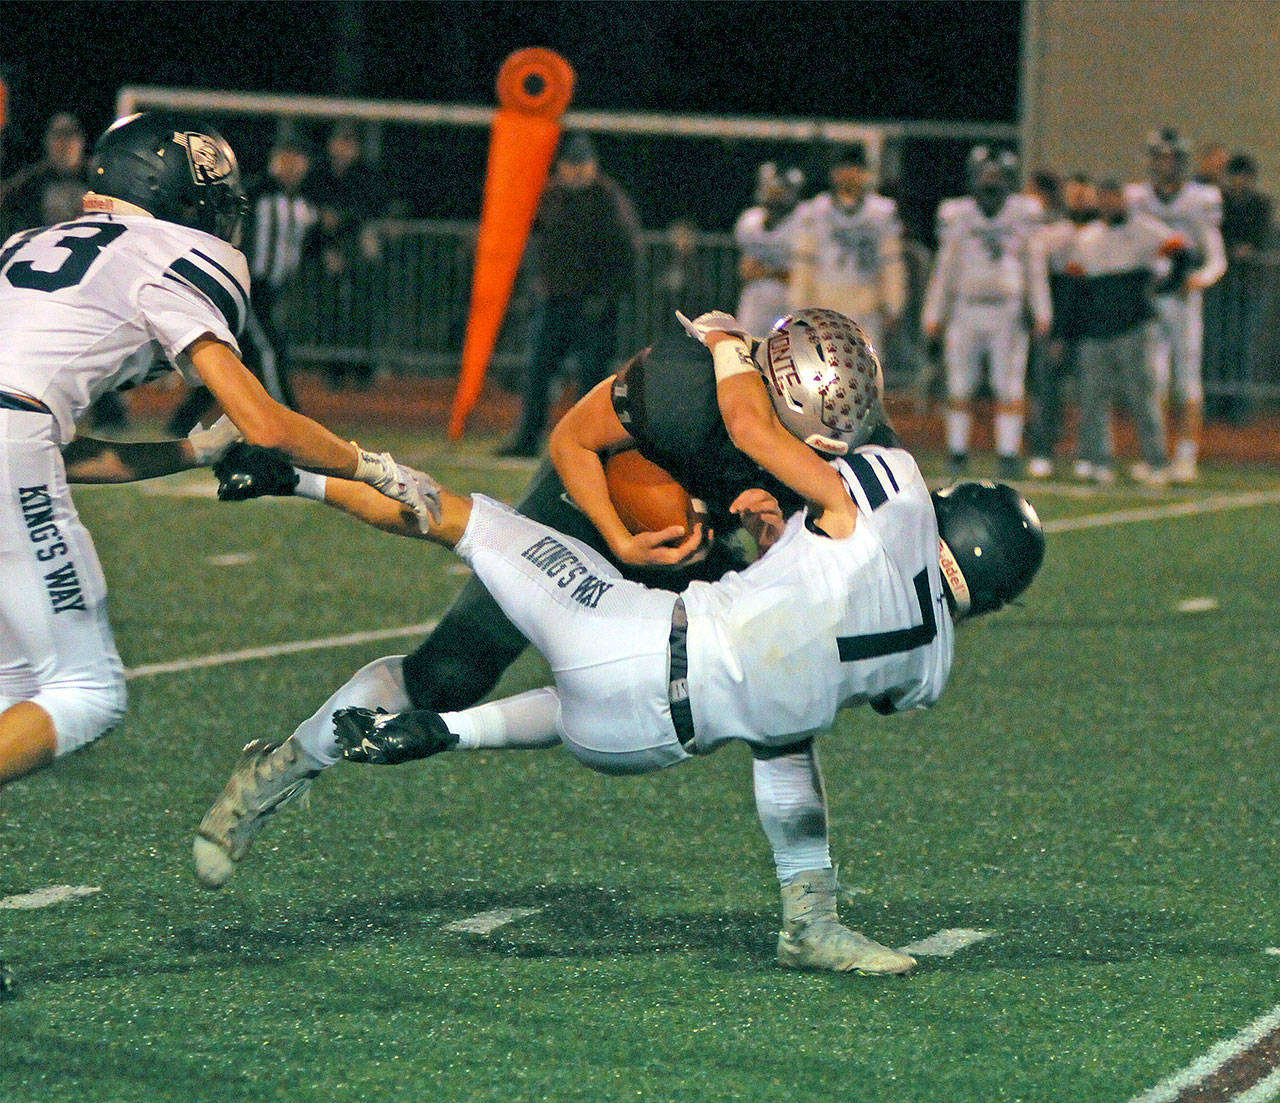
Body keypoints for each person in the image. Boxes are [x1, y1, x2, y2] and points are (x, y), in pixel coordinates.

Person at [196, 308, 1043, 975]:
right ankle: (285, 768)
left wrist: (758, 533)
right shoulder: (685, 383)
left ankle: (298, 474)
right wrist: (619, 532)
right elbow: (571, 440)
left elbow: (810, 590)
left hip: (689, 593)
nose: (828, 449)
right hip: (598, 503)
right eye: (811, 436)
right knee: (451, 673)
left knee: (778, 690)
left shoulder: (858, 452)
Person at [0, 111, 434, 790]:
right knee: (86, 693)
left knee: (17, 689)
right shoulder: (162, 254)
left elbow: (56, 454)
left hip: (15, 432)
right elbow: (265, 423)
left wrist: (195, 451)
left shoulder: (33, 241)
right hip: (10, 435)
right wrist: (373, 465)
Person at [497, 132, 642, 457]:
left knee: (592, 380)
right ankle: (528, 438)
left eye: (582, 164)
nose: (576, 171)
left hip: (595, 305)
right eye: (570, 165)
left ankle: (589, 443)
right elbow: (532, 241)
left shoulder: (607, 198)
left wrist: (607, 296)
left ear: (594, 165)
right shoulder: (550, 196)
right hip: (555, 300)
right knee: (537, 373)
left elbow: (628, 252)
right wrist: (536, 286)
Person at [168, 130, 316, 434]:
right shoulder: (256, 194)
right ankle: (290, 418)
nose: (292, 165)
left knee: (235, 359)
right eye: (286, 157)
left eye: (298, 159)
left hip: (270, 290)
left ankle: (182, 421)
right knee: (269, 350)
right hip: (247, 287)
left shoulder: (302, 203)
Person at [922, 146, 1051, 478]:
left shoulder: (1024, 213)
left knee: (1008, 385)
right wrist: (934, 312)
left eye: (996, 176)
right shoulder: (958, 214)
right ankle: (958, 451)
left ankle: (1008, 454)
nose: (990, 183)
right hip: (966, 308)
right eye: (985, 175)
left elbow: (1034, 265)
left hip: (1007, 311)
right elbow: (945, 268)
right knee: (959, 383)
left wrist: (1041, 309)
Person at [0, 112, 129, 431]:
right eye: (58, 138)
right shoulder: (27, 186)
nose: (64, 146)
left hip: (94, 280)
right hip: (39, 285)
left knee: (102, 347)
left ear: (82, 143)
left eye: (70, 138)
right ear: (46, 143)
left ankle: (109, 413)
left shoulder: (101, 182)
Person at [1068, 179, 1192, 485]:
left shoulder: (1145, 229)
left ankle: (1156, 461)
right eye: (1105, 198)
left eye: (1115, 197)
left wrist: (1167, 287)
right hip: (1097, 328)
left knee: (1143, 397)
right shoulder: (1088, 238)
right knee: (1093, 398)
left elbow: (1182, 252)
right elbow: (1076, 285)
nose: (1111, 203)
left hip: (1135, 326)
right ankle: (1100, 460)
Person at [1125, 129, 1226, 483]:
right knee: (1153, 380)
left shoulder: (1199, 199)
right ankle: (1156, 455)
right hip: (1149, 299)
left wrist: (1197, 279)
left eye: (1171, 158)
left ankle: (1186, 455)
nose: (1165, 165)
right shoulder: (1137, 198)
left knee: (1186, 382)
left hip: (1182, 301)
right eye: (1159, 158)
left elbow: (1216, 259)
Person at [787, 143, 906, 358]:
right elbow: (804, 263)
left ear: (865, 173)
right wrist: (798, 308)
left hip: (867, 308)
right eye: (843, 168)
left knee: (868, 376)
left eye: (855, 168)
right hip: (824, 309)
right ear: (833, 173)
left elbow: (891, 262)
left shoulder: (882, 212)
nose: (849, 174)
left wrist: (893, 304)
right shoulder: (815, 211)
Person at [306, 122, 392, 390]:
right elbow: (312, 207)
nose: (343, 149)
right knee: (328, 310)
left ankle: (362, 369)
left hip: (357, 252)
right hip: (327, 250)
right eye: (339, 142)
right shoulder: (320, 174)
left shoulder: (365, 174)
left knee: (361, 310)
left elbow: (372, 207)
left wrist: (341, 220)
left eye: (349, 143)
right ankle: (334, 369)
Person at [1025, 173, 1098, 478]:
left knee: (1091, 390)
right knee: (1046, 389)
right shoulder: (1055, 234)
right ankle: (1042, 449)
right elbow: (1041, 273)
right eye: (1074, 194)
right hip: (1059, 318)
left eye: (1084, 194)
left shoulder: (1101, 232)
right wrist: (1047, 320)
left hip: (1092, 321)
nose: (1079, 199)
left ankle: (1088, 453)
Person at [1207, 154, 1273, 424]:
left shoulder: (1260, 204)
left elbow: (1262, 235)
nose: (1239, 181)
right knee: (1217, 340)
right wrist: (1229, 249)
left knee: (1243, 342)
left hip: (1248, 285)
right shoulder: (1219, 202)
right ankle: (1214, 403)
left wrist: (1249, 249)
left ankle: (1239, 407)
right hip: (1222, 283)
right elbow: (1215, 232)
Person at [732, 162, 803, 336]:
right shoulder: (750, 221)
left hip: (791, 302)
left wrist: (767, 271)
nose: (775, 193)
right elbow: (746, 270)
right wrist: (776, 273)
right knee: (748, 351)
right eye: (771, 187)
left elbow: (801, 276)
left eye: (781, 188)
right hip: (755, 301)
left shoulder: (803, 222)